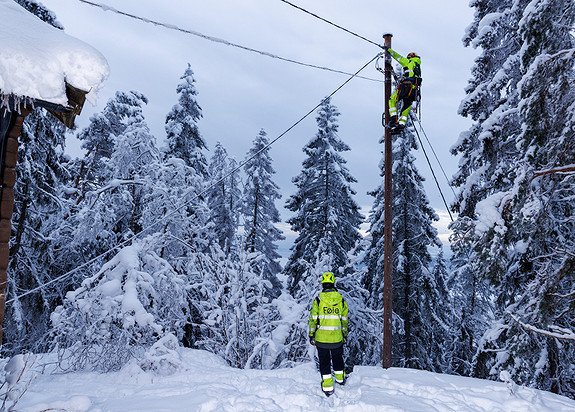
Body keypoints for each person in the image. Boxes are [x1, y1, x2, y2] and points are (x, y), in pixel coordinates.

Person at [308, 272, 349, 396]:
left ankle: (327, 387)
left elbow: (313, 319)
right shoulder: (341, 299)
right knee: (338, 359)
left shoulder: (318, 300)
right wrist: (344, 335)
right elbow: (344, 320)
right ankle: (340, 380)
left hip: (321, 339)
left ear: (322, 284)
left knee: (324, 362)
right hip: (337, 338)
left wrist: (311, 334)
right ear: (333, 283)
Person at [383, 46, 422, 132]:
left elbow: (397, 56)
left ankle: (394, 119)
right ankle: (401, 124)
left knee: (392, 100)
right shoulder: (418, 66)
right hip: (414, 91)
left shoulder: (408, 62)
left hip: (406, 87)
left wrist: (388, 49)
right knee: (406, 107)